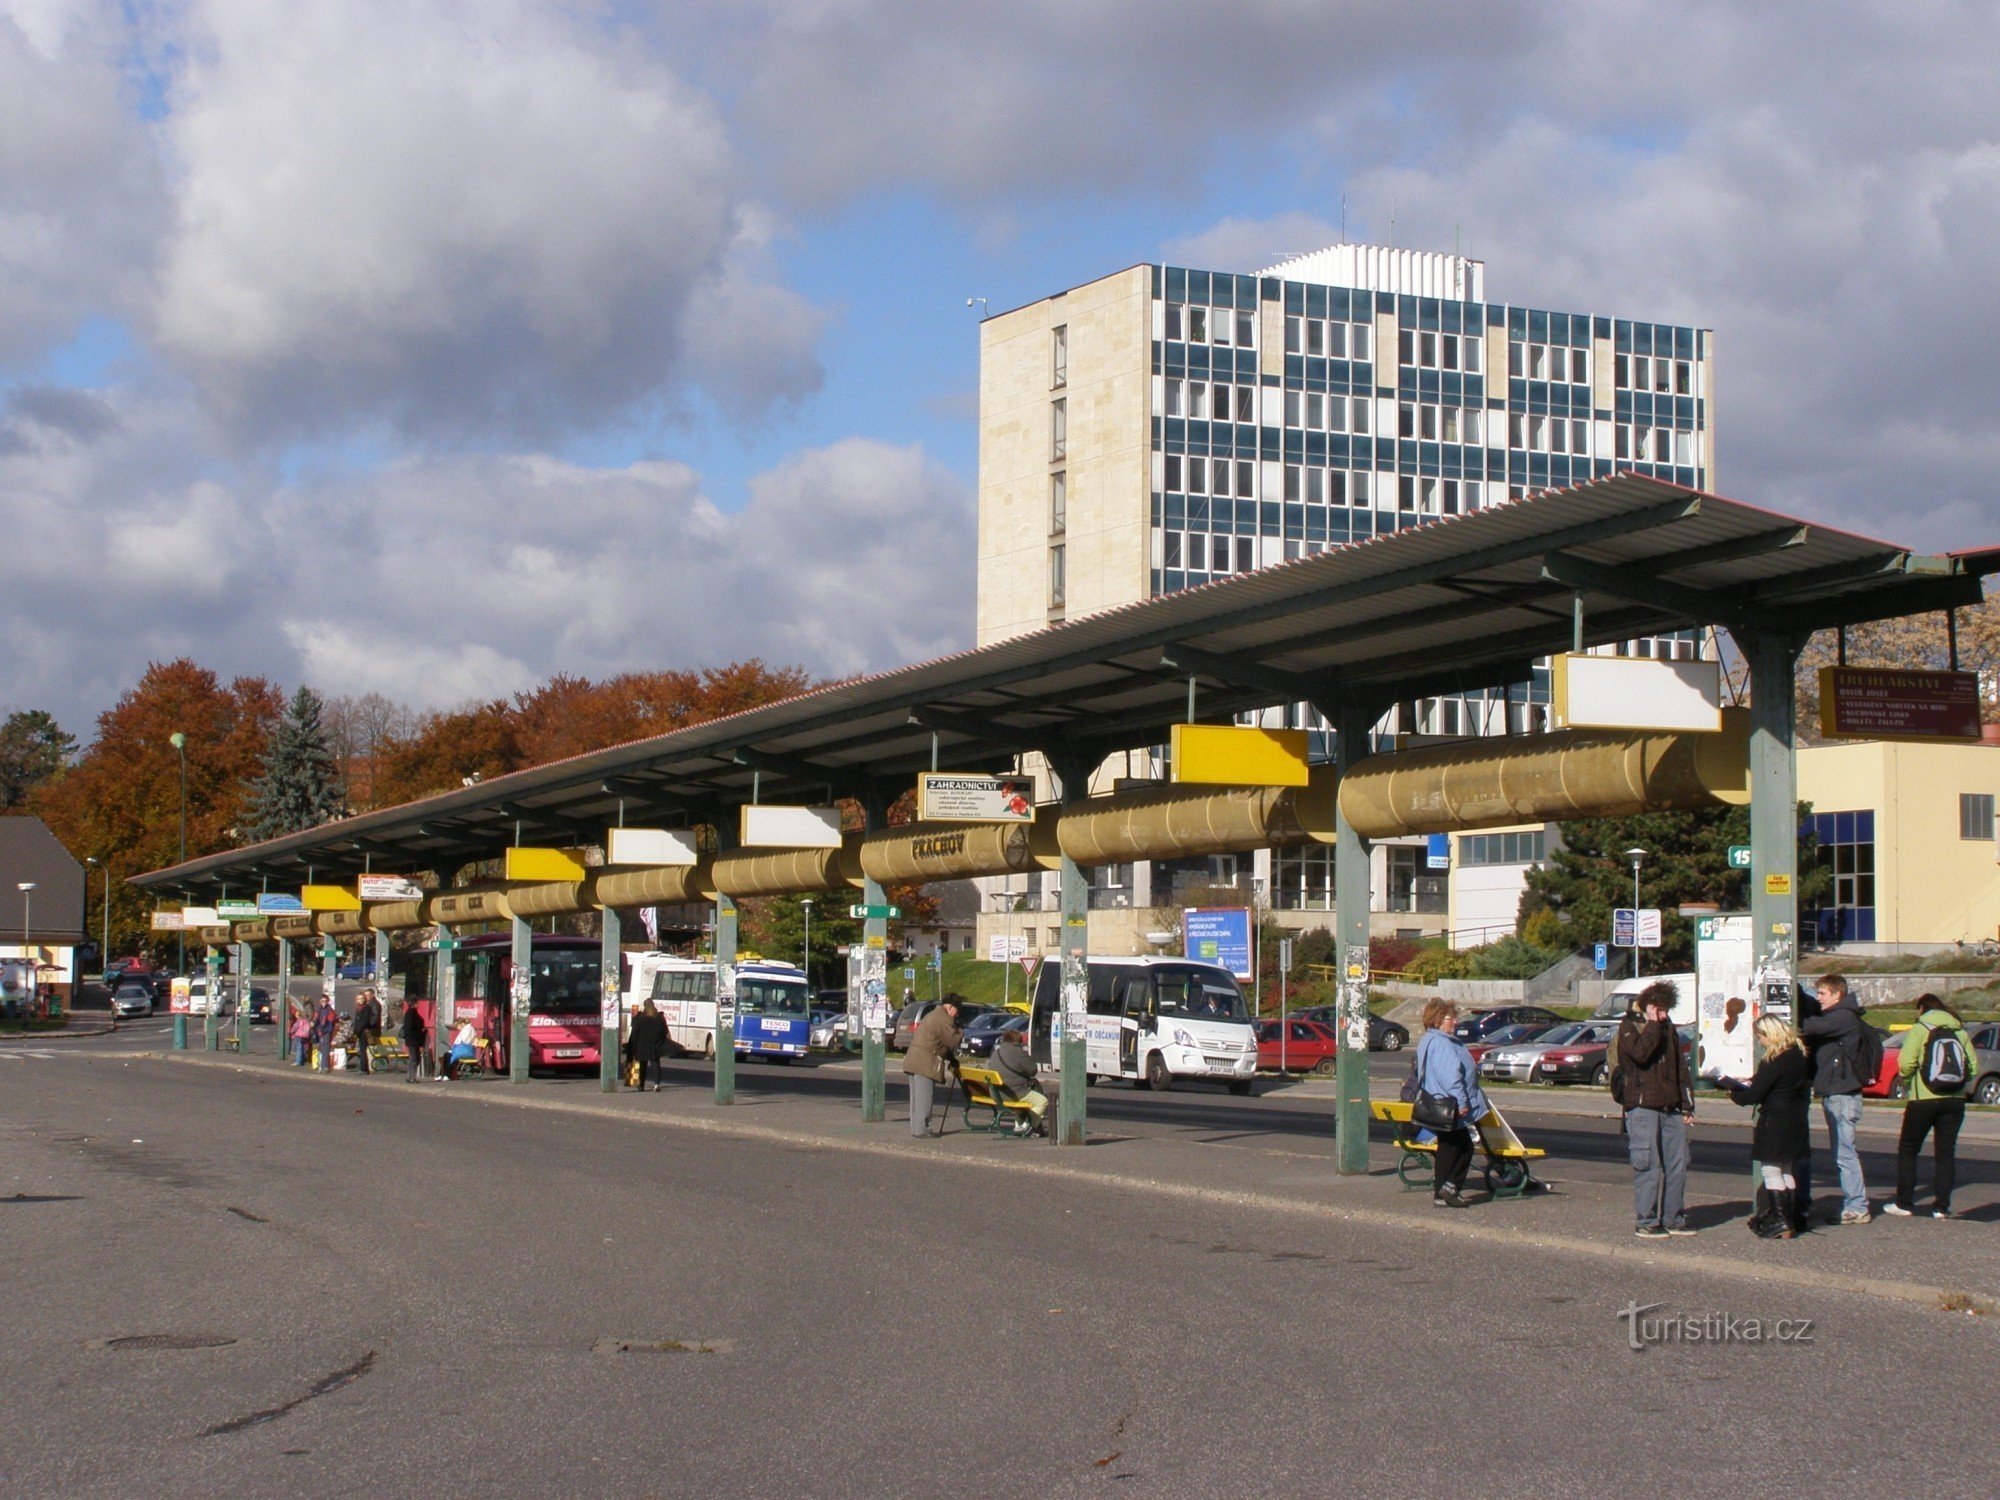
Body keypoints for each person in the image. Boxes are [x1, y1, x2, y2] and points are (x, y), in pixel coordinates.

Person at [1885, 992, 1978, 1218]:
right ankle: (1941, 1207)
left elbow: (1906, 1063)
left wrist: (1909, 1081)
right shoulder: (1959, 1031)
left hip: (1923, 1099)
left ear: (1922, 1009)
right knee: (1945, 1153)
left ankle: (1904, 1202)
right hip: (1954, 1101)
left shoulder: (1920, 1029)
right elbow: (1973, 1068)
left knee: (1909, 1149)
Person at [1720, 1015, 1812, 1239]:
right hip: (1796, 1119)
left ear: (1770, 1035)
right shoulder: (1798, 1055)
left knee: (1771, 1170)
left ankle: (1781, 1220)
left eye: (1760, 1036)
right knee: (1786, 1169)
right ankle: (1791, 1218)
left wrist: (1734, 1093)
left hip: (1776, 1120)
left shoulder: (1775, 1059)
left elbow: (1755, 1094)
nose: (1759, 1041)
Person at [1615, 980, 1695, 1238]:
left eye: (1666, 1011)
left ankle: (1674, 1218)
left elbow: (1679, 1068)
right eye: (1660, 1010)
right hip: (1642, 1106)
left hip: (1670, 1106)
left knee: (1678, 1164)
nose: (1664, 1016)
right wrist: (1652, 1023)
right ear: (1649, 1007)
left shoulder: (1668, 1028)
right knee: (1648, 1164)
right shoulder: (1630, 1027)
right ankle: (1646, 1220)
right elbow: (1641, 1054)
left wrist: (1687, 1104)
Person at [1800, 972, 1872, 1224]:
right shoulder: (1838, 1015)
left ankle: (1857, 1205)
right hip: (1837, 1092)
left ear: (1837, 994)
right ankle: (1855, 1203)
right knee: (1842, 1151)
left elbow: (1808, 1027)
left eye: (1822, 993)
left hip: (1843, 1093)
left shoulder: (1842, 1017)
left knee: (1845, 1152)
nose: (1818, 999)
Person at [1413, 998, 1488, 1209]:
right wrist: (1463, 1102)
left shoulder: (1428, 1040)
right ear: (1437, 1020)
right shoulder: (1442, 1043)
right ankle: (1451, 1187)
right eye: (1450, 1019)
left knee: (1447, 1148)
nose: (1454, 1022)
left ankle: (1440, 1193)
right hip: (1449, 1104)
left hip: (1436, 1102)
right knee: (1464, 1147)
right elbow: (1451, 1077)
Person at [902, 993, 966, 1138]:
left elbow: (940, 1043)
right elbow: (952, 1041)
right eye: (957, 1010)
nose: (957, 1014)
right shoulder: (943, 1019)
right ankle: (923, 1130)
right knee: (925, 1097)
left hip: (913, 1060)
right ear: (950, 1007)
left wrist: (951, 1058)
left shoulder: (932, 1015)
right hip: (925, 1062)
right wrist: (960, 1031)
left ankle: (916, 1129)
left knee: (916, 1099)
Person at [992, 1025, 1054, 1136]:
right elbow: (1033, 1070)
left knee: (1029, 1096)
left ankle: (1018, 1124)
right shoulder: (1018, 1052)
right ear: (1017, 1041)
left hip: (999, 1093)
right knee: (1042, 1101)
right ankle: (1030, 1126)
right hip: (1015, 1093)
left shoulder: (996, 1053)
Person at [627, 998, 668, 1092]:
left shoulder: (640, 1018)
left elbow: (635, 1032)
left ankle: (641, 1085)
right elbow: (664, 1031)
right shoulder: (659, 1017)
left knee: (642, 1065)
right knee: (656, 1064)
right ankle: (657, 1084)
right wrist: (659, 1040)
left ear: (645, 1006)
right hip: (654, 1045)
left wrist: (633, 1044)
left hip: (642, 1045)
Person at [352, 988, 381, 1075]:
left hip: (364, 1032)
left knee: (363, 1050)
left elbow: (364, 1021)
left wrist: (357, 1032)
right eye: (359, 999)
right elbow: (357, 1021)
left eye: (362, 998)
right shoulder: (359, 1008)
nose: (361, 1000)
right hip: (360, 1031)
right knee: (362, 1050)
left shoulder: (366, 1008)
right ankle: (364, 1069)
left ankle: (363, 1069)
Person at [400, 999, 428, 1083]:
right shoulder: (412, 1013)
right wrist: (421, 1031)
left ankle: (410, 1076)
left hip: (412, 1040)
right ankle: (412, 1077)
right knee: (414, 1059)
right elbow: (412, 1027)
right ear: (415, 1004)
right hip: (413, 1040)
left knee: (413, 1058)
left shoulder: (410, 1013)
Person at [312, 995, 339, 1073]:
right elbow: (316, 1021)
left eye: (325, 1001)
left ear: (328, 1001)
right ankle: (322, 1065)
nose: (324, 1002)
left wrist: (323, 1031)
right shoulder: (319, 1010)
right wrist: (315, 1027)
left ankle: (325, 1067)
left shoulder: (330, 1011)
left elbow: (330, 1025)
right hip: (320, 1032)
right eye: (322, 1001)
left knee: (325, 1049)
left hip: (326, 1032)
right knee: (321, 1049)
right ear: (320, 1002)